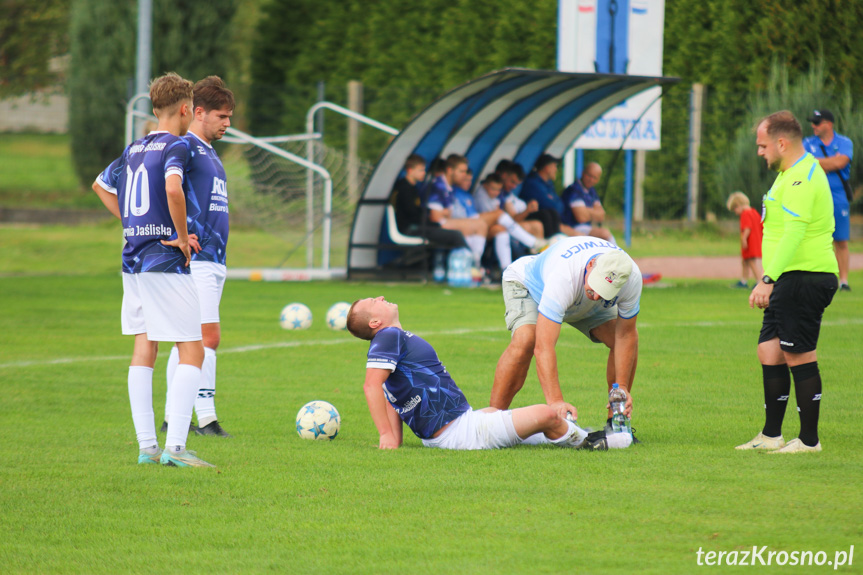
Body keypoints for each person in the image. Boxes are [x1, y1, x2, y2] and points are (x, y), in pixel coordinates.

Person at [91, 72, 214, 467]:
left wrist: (131, 224)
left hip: (133, 260)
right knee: (192, 349)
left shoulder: (134, 148)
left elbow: (99, 185)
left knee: (145, 348)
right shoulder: (177, 146)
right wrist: (181, 237)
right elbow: (174, 189)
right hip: (164, 261)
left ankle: (148, 447)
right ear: (184, 109)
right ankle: (176, 448)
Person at [345, 296, 609, 451]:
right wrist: (386, 435)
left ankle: (569, 432)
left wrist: (395, 439)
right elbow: (371, 386)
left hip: (457, 427)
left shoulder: (393, 341)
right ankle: (589, 442)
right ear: (375, 323)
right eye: (373, 301)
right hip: (461, 433)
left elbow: (389, 393)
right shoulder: (388, 336)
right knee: (546, 413)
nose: (379, 297)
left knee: (496, 414)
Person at [737, 110, 839, 454]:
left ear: (782, 142)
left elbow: (794, 233)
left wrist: (767, 279)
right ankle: (771, 435)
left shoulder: (801, 177)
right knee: (769, 351)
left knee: (798, 355)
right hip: (789, 278)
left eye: (763, 145)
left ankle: (809, 441)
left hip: (805, 277)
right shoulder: (787, 174)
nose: (760, 151)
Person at [489, 236, 641, 439]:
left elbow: (625, 335)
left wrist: (621, 388)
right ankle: (491, 426)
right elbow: (544, 347)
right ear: (589, 266)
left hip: (578, 299)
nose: (596, 296)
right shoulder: (564, 275)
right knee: (527, 339)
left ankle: (616, 422)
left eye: (604, 292)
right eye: (595, 286)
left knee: (628, 339)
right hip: (529, 286)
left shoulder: (631, 277)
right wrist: (556, 402)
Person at [161, 76, 235, 438]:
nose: (228, 123)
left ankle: (172, 414)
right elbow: (163, 189)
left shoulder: (208, 151)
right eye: (222, 116)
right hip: (197, 260)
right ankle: (205, 418)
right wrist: (174, 234)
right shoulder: (184, 146)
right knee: (207, 337)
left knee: (188, 336)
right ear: (199, 112)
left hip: (214, 260)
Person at [802, 109, 853, 291]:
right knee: (813, 238)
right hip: (814, 196)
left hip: (838, 197)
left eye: (817, 122)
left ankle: (844, 280)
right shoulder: (807, 142)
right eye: (813, 122)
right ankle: (816, 277)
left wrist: (818, 162)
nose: (813, 126)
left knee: (840, 240)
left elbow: (841, 163)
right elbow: (804, 162)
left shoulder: (845, 142)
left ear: (829, 124)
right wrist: (831, 161)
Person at [460, 172, 546, 270]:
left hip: (481, 228)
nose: (496, 192)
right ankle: (533, 243)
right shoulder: (480, 194)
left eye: (498, 190)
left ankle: (506, 268)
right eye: (493, 189)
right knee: (499, 214)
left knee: (501, 229)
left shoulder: (471, 195)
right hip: (471, 227)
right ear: (485, 185)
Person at [426, 154, 488, 266]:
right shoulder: (438, 186)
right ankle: (474, 264)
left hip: (444, 221)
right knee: (479, 225)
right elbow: (435, 217)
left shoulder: (448, 186)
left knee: (479, 225)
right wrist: (445, 212)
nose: (464, 175)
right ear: (450, 170)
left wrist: (445, 212)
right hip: (432, 226)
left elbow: (447, 213)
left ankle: (472, 262)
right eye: (461, 171)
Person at [518, 154, 580, 237]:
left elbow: (559, 205)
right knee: (548, 214)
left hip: (552, 222)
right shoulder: (532, 183)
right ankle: (552, 242)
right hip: (535, 219)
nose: (556, 169)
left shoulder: (548, 183)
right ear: (547, 168)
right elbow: (554, 206)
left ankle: (555, 239)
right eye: (554, 166)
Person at [560, 162, 617, 244]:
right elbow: (581, 217)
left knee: (606, 234)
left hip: (587, 227)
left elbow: (601, 215)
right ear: (583, 173)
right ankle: (616, 254)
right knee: (604, 234)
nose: (591, 180)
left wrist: (585, 210)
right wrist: (593, 212)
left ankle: (616, 254)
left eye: (594, 178)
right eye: (589, 175)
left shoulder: (592, 191)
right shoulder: (574, 190)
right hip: (572, 227)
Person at [726, 191, 763, 288]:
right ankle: (744, 281)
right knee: (745, 261)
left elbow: (747, 228)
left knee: (751, 262)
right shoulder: (754, 212)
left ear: (738, 205)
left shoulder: (745, 214)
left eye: (735, 209)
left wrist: (744, 239)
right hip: (757, 241)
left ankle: (758, 281)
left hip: (750, 242)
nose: (735, 212)